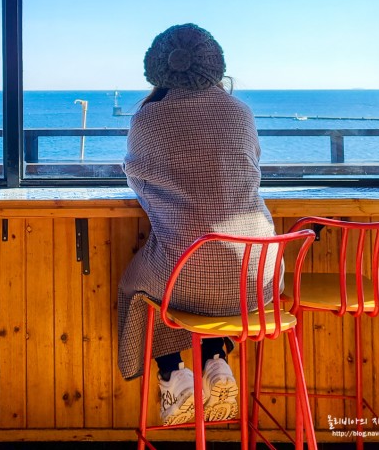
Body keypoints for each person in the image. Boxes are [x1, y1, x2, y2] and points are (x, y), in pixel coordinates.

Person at [116, 23, 277, 426]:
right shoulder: (241, 112)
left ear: (158, 71)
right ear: (214, 67)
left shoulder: (149, 119)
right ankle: (215, 359)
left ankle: (173, 374)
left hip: (187, 275)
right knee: (199, 277)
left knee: (143, 287)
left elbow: (138, 180)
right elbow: (253, 165)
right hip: (258, 278)